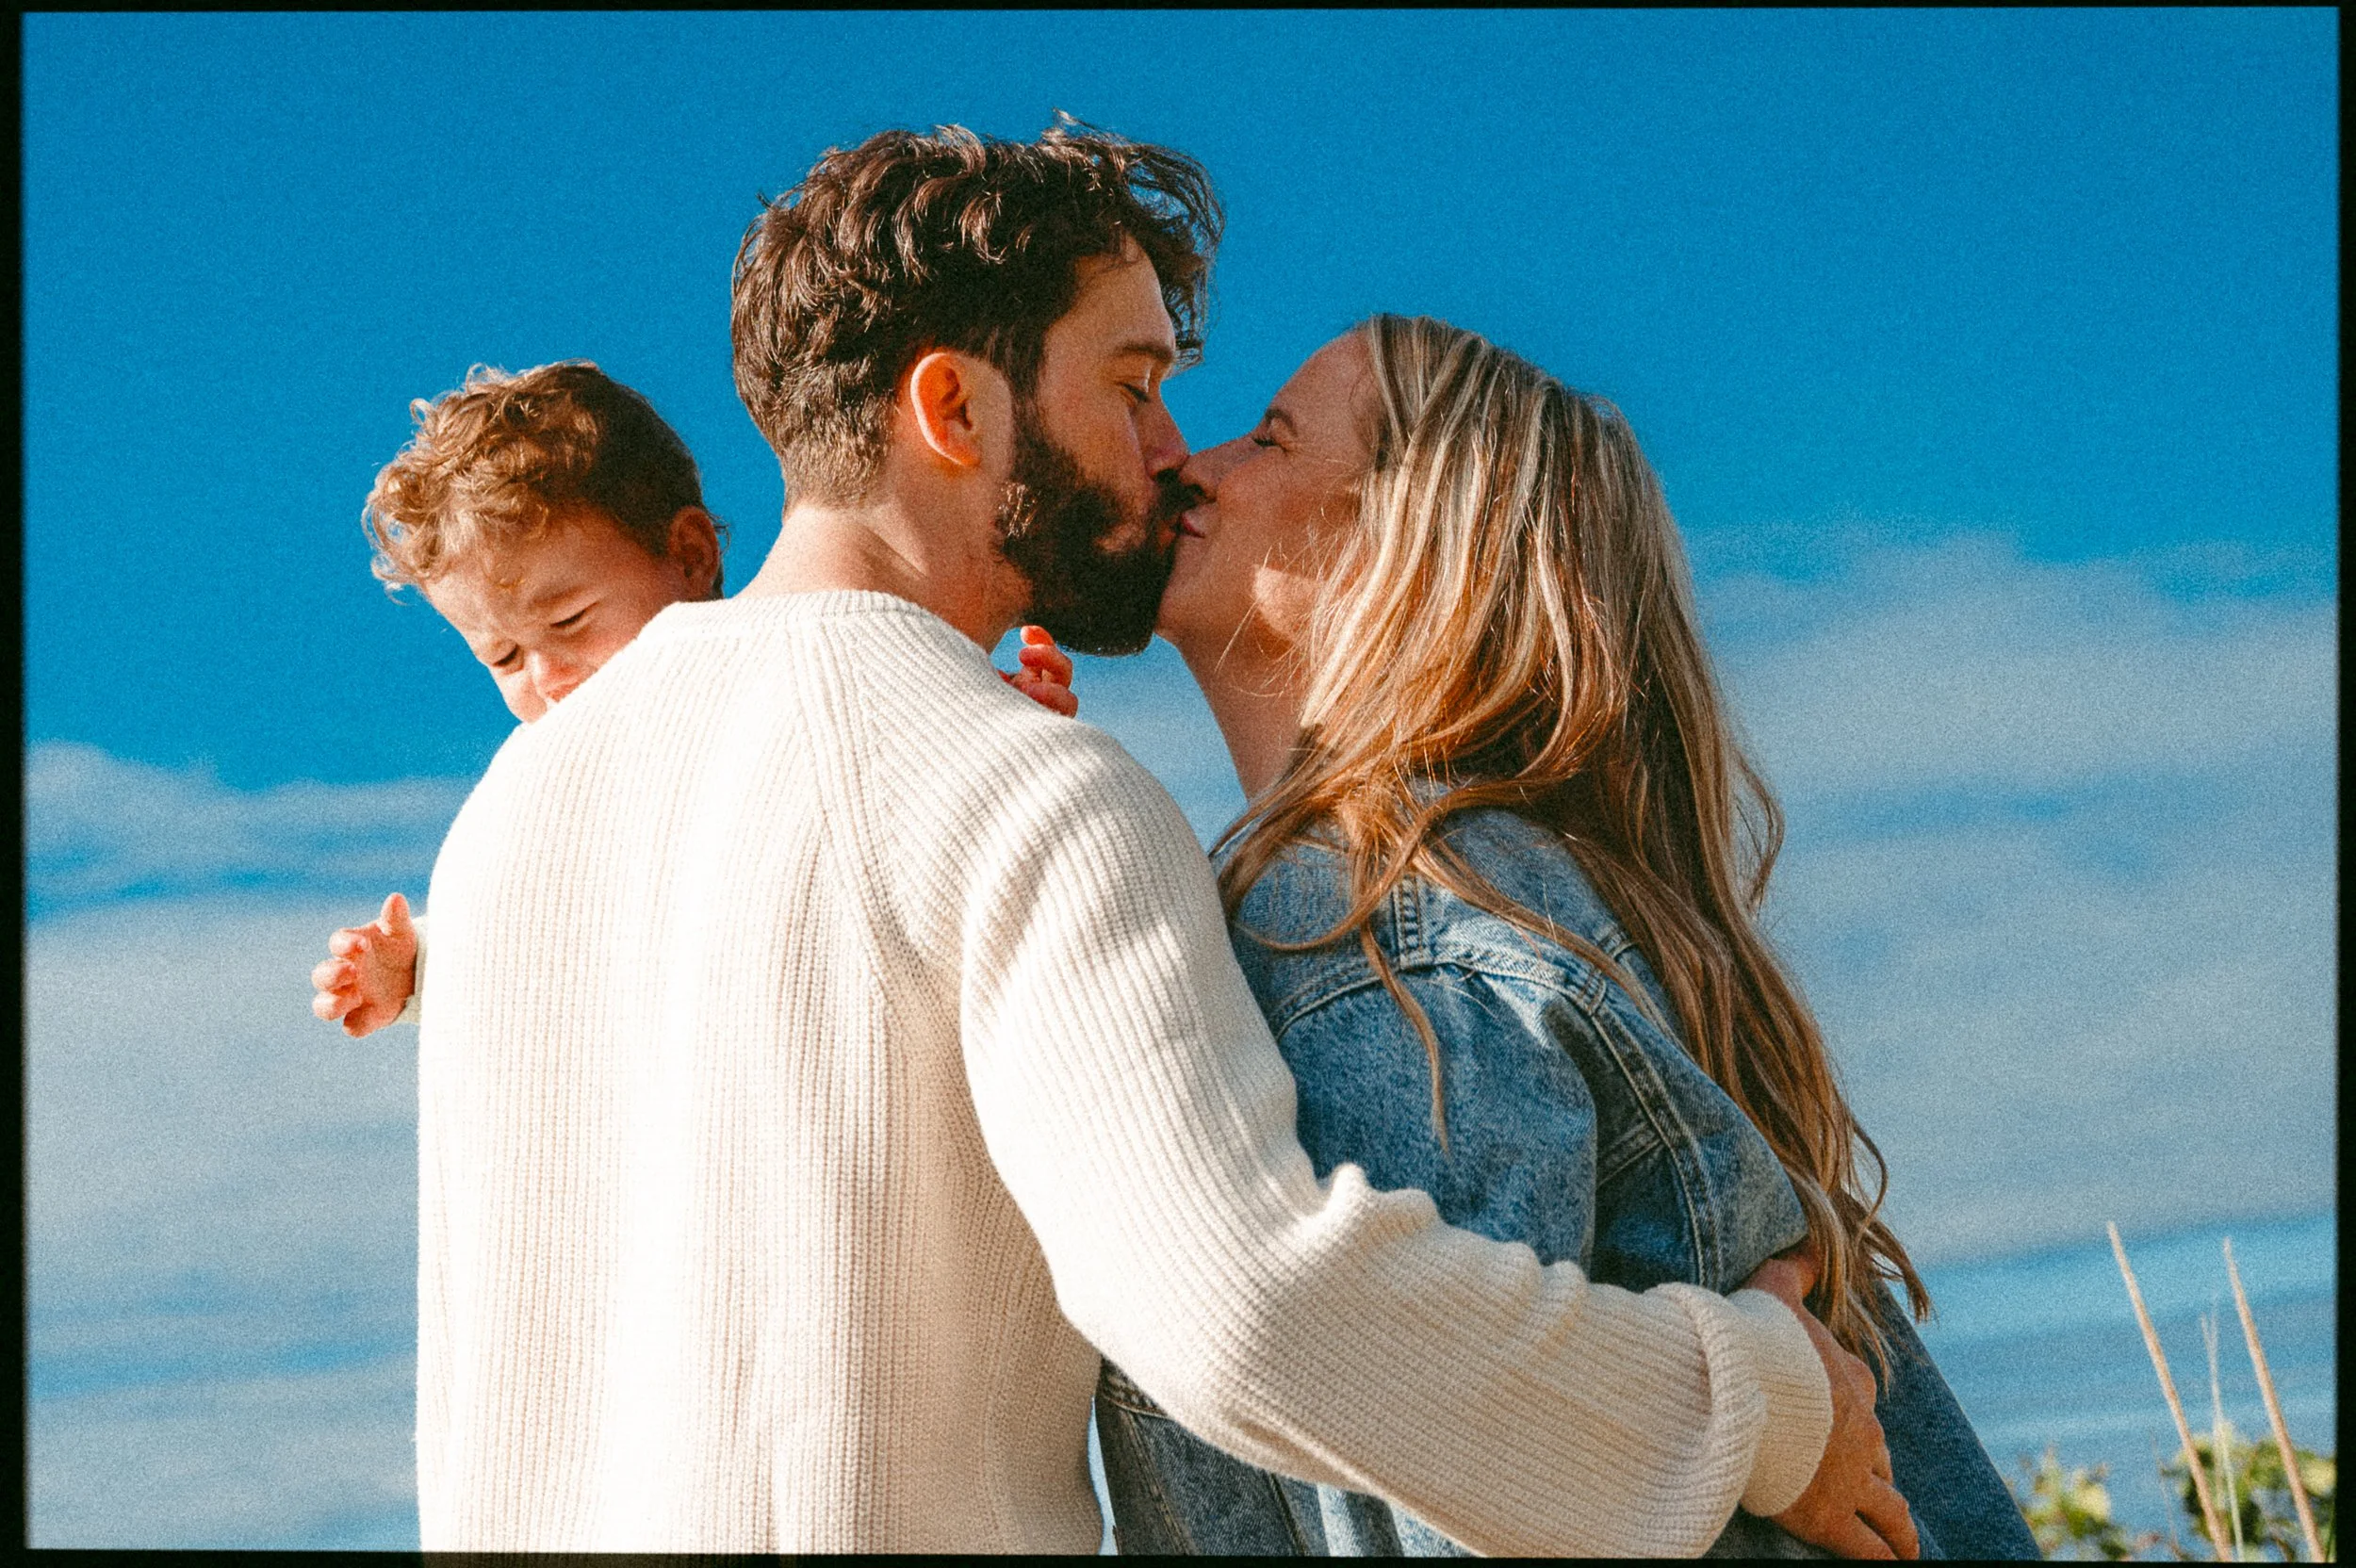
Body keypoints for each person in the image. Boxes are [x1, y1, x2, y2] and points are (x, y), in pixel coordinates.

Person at [412, 122, 1896, 1555]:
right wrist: (1763, 1402)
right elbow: (1240, 1307)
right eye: (1130, 386)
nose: (1168, 449)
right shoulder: (1017, 784)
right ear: (957, 414)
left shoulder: (505, 825)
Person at [1097, 314, 2036, 1559]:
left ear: (1402, 545)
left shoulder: (1377, 937)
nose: (1190, 464)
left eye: (1272, 437)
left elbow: (1461, 1502)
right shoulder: (1509, 902)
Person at [308, 358, 1082, 1036]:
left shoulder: (791, 678)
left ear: (689, 554)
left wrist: (991, 716)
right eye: (503, 656)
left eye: (570, 620)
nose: (545, 676)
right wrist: (419, 971)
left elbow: (877, 759)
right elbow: (542, 932)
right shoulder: (547, 782)